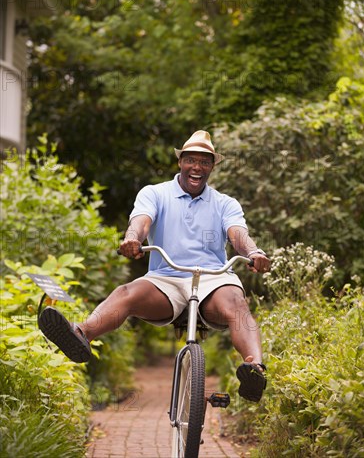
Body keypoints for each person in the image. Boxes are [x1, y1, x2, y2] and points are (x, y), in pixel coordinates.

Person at [39, 130, 271, 402]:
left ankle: (254, 369)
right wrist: (132, 238)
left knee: (236, 303)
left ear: (212, 167)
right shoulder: (155, 193)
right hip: (166, 278)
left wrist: (253, 252)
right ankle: (80, 334)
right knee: (126, 292)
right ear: (180, 162)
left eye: (205, 162)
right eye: (191, 160)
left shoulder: (224, 203)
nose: (197, 167)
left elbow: (237, 234)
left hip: (213, 278)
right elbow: (142, 220)